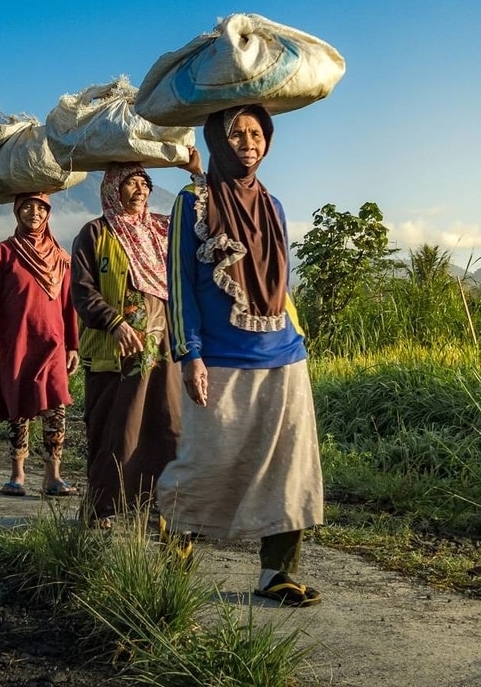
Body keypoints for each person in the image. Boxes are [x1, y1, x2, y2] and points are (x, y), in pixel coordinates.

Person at [157, 104, 324, 607]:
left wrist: (297, 341)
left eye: (257, 133)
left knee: (288, 469)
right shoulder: (194, 202)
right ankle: (173, 566)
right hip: (222, 358)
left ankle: (277, 573)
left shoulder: (273, 205)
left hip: (283, 355)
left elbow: (280, 284)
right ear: (216, 141)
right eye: (236, 134)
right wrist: (190, 354)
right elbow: (180, 284)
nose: (248, 142)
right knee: (205, 464)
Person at [69, 155, 198, 527]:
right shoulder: (95, 233)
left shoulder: (162, 229)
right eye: (130, 182)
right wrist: (114, 322)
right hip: (115, 353)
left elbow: (205, 222)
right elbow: (82, 290)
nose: (140, 189)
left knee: (166, 424)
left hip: (162, 350)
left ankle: (163, 506)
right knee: (114, 429)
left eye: (144, 183)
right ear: (112, 188)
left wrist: (197, 174)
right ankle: (101, 510)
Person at [0, 192, 80, 497]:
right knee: (18, 405)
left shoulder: (60, 257)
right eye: (28, 207)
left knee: (55, 405)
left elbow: (69, 303)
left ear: (48, 213)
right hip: (15, 340)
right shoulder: (3, 252)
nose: (35, 213)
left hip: (53, 341)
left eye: (41, 208)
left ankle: (53, 477)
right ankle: (16, 475)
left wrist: (73, 344)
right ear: (17, 212)